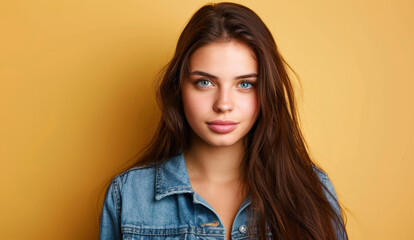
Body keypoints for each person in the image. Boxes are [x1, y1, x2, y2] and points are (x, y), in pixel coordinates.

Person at [99, 2, 348, 240]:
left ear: (266, 92)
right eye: (205, 82)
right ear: (178, 88)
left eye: (245, 84)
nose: (223, 104)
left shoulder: (313, 191)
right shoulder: (129, 195)